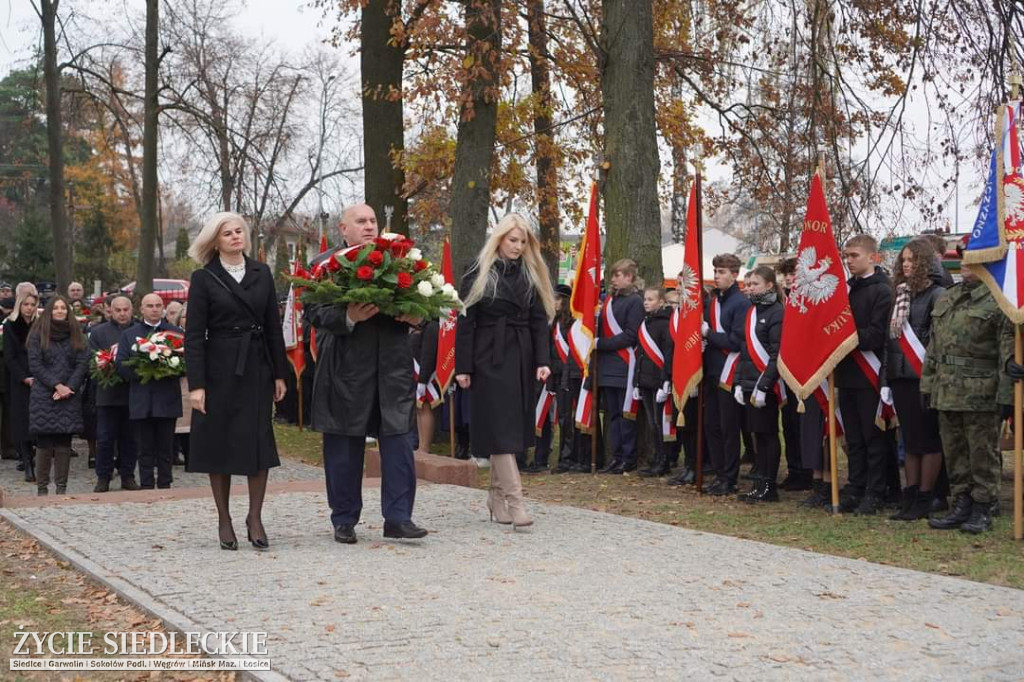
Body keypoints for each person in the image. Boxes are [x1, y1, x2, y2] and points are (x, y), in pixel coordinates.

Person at [308, 203, 428, 544]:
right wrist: (349, 317)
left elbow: (427, 305)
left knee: (400, 443)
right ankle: (344, 519)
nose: (369, 226)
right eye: (360, 221)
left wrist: (417, 318)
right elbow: (314, 313)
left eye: (373, 221)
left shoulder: (402, 261)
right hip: (346, 370)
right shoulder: (325, 266)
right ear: (343, 229)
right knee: (344, 447)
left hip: (392, 369)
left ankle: (399, 518)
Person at [184, 212, 288, 550]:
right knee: (221, 443)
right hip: (218, 369)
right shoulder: (204, 278)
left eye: (239, 231)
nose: (234, 236)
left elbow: (273, 326)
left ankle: (255, 516)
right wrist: (196, 385)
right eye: (227, 233)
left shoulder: (261, 272)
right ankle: (224, 518)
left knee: (258, 441)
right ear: (215, 241)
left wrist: (279, 373)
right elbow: (194, 335)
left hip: (256, 367)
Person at [456, 213, 554, 527]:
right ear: (499, 239)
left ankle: (495, 497)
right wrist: (463, 366)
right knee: (501, 429)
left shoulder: (531, 272)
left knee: (510, 428)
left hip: (522, 356)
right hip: (488, 356)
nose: (518, 246)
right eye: (513, 240)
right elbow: (466, 322)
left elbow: (540, 321)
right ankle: (516, 502)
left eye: (523, 241)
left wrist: (543, 360)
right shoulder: (478, 270)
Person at [924, 257, 1013, 534]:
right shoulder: (948, 298)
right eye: (962, 259)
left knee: (981, 452)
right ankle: (961, 502)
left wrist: (1007, 395)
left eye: (971, 260)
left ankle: (983, 506)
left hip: (981, 391)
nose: (964, 264)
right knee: (955, 451)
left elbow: (1007, 352)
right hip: (946, 388)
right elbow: (933, 348)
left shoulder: (1000, 301)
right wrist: (927, 385)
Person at [883, 239, 945, 520]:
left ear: (925, 263)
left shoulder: (938, 294)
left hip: (924, 376)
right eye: (903, 260)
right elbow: (890, 342)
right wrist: (886, 379)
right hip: (900, 377)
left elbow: (937, 342)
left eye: (912, 260)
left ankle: (925, 496)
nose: (906, 264)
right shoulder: (900, 295)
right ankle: (910, 495)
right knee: (909, 439)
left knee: (928, 440)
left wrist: (930, 377)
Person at [835, 234, 893, 515]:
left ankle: (875, 491)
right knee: (853, 438)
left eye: (854, 255)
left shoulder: (883, 290)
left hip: (871, 374)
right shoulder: (845, 289)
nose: (849, 261)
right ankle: (855, 487)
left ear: (873, 257)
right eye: (846, 256)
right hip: (846, 373)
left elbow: (876, 335)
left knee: (873, 439)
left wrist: (841, 337)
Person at [116, 294, 183, 490]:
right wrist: (146, 370)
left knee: (165, 447)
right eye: (150, 306)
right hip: (141, 396)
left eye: (157, 306)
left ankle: (165, 483)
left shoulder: (175, 332)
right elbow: (121, 363)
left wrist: (168, 367)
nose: (154, 309)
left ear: (162, 308)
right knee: (144, 447)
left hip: (167, 396)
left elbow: (187, 362)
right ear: (141, 309)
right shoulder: (130, 334)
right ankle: (146, 484)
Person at [732, 266, 786, 502]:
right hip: (748, 382)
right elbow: (744, 351)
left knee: (768, 434)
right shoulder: (751, 312)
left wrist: (764, 386)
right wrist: (737, 382)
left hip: (766, 385)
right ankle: (760, 482)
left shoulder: (777, 312)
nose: (749, 287)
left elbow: (777, 354)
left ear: (769, 286)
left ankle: (769, 485)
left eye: (754, 284)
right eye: (748, 284)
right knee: (757, 435)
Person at [27, 296, 89, 495]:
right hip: (44, 394)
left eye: (64, 308)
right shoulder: (38, 334)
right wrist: (56, 386)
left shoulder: (76, 334)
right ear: (49, 311)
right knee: (44, 441)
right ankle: (42, 489)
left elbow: (82, 363)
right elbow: (35, 365)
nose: (60, 311)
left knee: (64, 441)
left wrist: (68, 387)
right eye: (56, 308)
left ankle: (61, 488)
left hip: (68, 395)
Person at [701, 253, 751, 495]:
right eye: (715, 272)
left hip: (729, 373)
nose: (717, 276)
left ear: (734, 274)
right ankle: (720, 473)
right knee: (712, 426)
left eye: (721, 272)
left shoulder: (740, 303)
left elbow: (736, 341)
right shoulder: (714, 301)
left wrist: (708, 334)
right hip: (711, 371)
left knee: (729, 428)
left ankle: (729, 478)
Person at [594, 259, 644, 474]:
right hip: (607, 367)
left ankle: (628, 457)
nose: (613, 279)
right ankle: (615, 457)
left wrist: (601, 344)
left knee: (626, 416)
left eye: (618, 275)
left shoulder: (634, 301)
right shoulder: (608, 301)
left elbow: (631, 335)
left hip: (625, 365)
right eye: (612, 275)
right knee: (612, 416)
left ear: (630, 277)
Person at [89, 295, 140, 492]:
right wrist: (105, 365)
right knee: (105, 438)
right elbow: (91, 361)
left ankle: (127, 475)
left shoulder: (139, 331)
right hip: (107, 395)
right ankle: (103, 476)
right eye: (117, 310)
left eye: (125, 309)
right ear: (110, 310)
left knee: (130, 439)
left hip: (133, 393)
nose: (122, 313)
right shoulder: (98, 332)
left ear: (131, 310)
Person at [775, 258, 811, 491]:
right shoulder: (782, 301)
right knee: (788, 423)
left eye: (792, 274)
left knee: (803, 424)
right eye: (786, 275)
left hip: (805, 369)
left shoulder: (808, 300)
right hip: (785, 368)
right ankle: (794, 469)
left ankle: (807, 470)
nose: (789, 278)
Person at [634, 286, 674, 477]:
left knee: (660, 423)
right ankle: (657, 457)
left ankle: (664, 460)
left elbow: (667, 353)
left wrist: (665, 380)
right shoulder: (645, 323)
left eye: (651, 299)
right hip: (645, 380)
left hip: (658, 380)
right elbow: (640, 355)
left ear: (661, 302)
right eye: (645, 299)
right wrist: (636, 381)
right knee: (651, 423)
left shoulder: (665, 324)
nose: (646, 302)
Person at [4, 290, 38, 482]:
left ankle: (35, 456)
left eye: (32, 304)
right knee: (21, 420)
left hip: (39, 376)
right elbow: (10, 356)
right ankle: (26, 462)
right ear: (20, 305)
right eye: (26, 304)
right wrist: (23, 377)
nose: (29, 308)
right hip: (19, 379)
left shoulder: (39, 324)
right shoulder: (10, 325)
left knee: (37, 419)